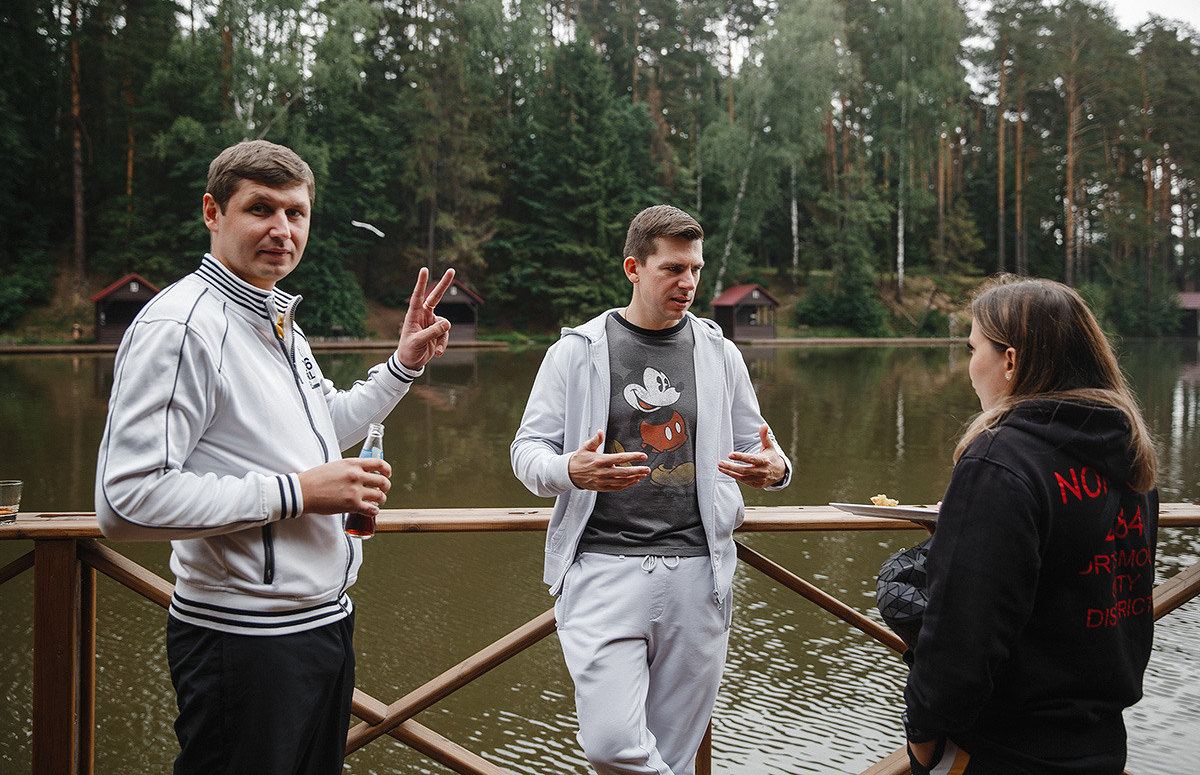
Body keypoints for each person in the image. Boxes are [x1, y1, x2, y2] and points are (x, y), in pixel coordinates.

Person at [95, 139, 455, 775]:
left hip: (323, 624)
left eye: (297, 213)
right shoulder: (183, 327)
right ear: (213, 212)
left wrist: (401, 368)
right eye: (260, 209)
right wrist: (300, 492)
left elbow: (327, 429)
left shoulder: (276, 319)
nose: (282, 230)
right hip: (242, 640)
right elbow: (127, 502)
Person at [511, 205, 792, 775]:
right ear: (633, 268)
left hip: (699, 572)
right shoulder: (577, 350)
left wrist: (775, 470)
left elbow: (764, 446)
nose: (688, 283)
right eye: (672, 269)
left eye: (695, 268)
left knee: (677, 754)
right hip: (602, 570)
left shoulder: (719, 351)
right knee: (612, 746)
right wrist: (572, 470)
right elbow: (526, 451)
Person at [902, 276, 1159, 775]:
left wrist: (922, 740)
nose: (969, 366)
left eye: (974, 348)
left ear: (1011, 361)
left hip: (1001, 749)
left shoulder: (1000, 459)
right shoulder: (1129, 452)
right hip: (1102, 743)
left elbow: (961, 635)